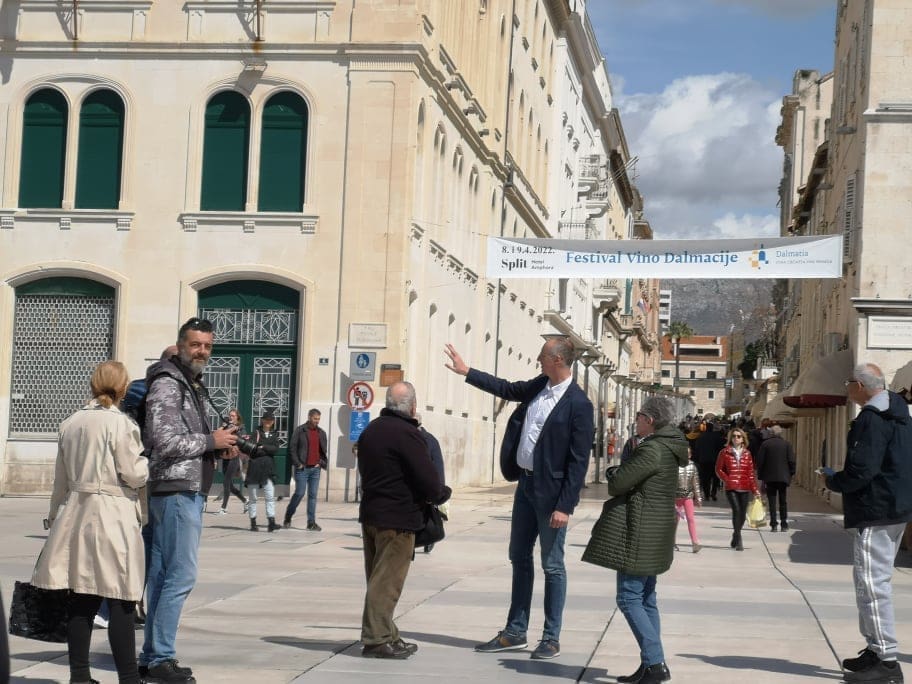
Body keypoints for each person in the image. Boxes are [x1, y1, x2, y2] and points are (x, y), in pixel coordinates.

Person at [444, 337, 593, 660]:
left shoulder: (579, 404)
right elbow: (508, 389)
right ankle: (515, 631)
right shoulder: (540, 385)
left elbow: (579, 460)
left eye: (542, 356)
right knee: (519, 557)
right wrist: (467, 371)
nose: (538, 360)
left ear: (557, 360)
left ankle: (551, 638)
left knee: (552, 565)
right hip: (525, 485)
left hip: (551, 495)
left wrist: (565, 506)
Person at [31, 361, 148, 684]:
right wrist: (145, 465)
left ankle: (80, 676)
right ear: (123, 387)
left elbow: (60, 480)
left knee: (82, 598)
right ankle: (128, 678)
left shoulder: (70, 423)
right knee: (121, 597)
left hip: (76, 512)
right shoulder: (121, 424)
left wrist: (54, 517)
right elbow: (134, 474)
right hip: (113, 513)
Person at [140, 317, 238, 683]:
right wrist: (210, 441)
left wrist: (217, 448)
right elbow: (163, 441)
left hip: (180, 488)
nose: (202, 351)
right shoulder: (168, 384)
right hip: (176, 490)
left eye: (207, 346)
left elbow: (184, 440)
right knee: (180, 575)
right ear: (181, 345)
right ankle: (160, 657)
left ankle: (153, 655)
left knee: (161, 575)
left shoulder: (189, 383)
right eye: (196, 344)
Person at [582, 397, 688, 684]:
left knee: (629, 597)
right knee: (646, 598)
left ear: (649, 420)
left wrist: (613, 471)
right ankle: (650, 663)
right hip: (656, 529)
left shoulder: (652, 449)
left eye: (639, 416)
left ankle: (655, 664)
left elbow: (618, 484)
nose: (636, 420)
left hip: (641, 529)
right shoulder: (670, 446)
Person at [820, 363, 912, 684]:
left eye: (849, 382)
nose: (847, 388)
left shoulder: (872, 419)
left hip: (876, 509)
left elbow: (862, 469)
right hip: (894, 507)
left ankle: (886, 661)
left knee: (872, 585)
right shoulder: (899, 413)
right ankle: (875, 649)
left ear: (859, 385)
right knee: (873, 581)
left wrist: (834, 481)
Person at [357, 382, 451, 659]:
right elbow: (428, 479)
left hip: (372, 515)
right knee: (387, 583)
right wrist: (442, 493)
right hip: (398, 519)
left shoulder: (371, 430)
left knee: (377, 579)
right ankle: (376, 640)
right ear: (412, 406)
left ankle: (389, 634)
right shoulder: (408, 435)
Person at [715, 427, 759, 551]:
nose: (736, 438)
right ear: (730, 438)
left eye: (739, 436)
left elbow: (750, 473)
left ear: (743, 439)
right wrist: (727, 479)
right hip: (732, 487)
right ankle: (739, 540)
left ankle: (735, 535)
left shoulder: (747, 453)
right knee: (736, 510)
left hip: (744, 487)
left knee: (743, 515)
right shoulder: (724, 452)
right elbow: (718, 469)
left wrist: (755, 490)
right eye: (734, 436)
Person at [283, 408, 327, 531]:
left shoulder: (321, 433)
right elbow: (292, 448)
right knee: (300, 493)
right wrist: (298, 464)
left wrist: (321, 463)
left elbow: (323, 451)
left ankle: (311, 523)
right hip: (302, 468)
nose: (317, 421)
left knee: (313, 495)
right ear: (309, 417)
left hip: (315, 469)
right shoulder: (300, 430)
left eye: (318, 419)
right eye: (315, 418)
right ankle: (288, 516)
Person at [754, 424, 796, 532]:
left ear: (771, 433)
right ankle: (784, 523)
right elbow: (791, 461)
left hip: (770, 477)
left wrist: (761, 476)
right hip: (783, 477)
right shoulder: (787, 444)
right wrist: (791, 474)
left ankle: (773, 524)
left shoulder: (765, 444)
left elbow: (760, 461)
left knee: (772, 501)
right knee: (783, 501)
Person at [245, 410, 281, 532]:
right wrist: (265, 450)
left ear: (273, 422)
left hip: (268, 469)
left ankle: (271, 522)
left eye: (270, 420)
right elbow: (252, 449)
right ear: (262, 420)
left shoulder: (274, 434)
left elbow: (275, 449)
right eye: (266, 420)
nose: (268, 422)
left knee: (270, 496)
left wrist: (263, 447)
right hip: (255, 468)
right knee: (253, 497)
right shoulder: (256, 433)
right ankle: (253, 523)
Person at [417, 415, 446, 553]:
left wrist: (440, 488)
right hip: (416, 486)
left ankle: (429, 540)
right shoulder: (409, 438)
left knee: (427, 515)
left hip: (426, 485)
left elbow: (438, 464)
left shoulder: (430, 440)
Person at [218, 408, 248, 515]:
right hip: (225, 457)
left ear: (237, 417)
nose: (231, 417)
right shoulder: (226, 426)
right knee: (229, 486)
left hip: (234, 457)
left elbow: (242, 441)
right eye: (230, 415)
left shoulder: (241, 428)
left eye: (233, 416)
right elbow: (218, 436)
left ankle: (223, 508)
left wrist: (235, 429)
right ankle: (245, 501)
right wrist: (223, 427)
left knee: (226, 482)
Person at [675, 454, 703, 553]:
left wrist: (698, 498)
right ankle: (671, 542)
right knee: (674, 521)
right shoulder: (674, 466)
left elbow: (696, 484)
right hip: (676, 497)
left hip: (688, 497)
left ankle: (695, 543)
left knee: (691, 519)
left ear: (690, 455)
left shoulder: (693, 467)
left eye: (688, 453)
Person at [692, 417, 725, 501]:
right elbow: (721, 448)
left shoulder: (700, 437)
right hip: (715, 460)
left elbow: (697, 449)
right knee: (715, 477)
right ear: (712, 428)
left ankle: (707, 494)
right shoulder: (717, 437)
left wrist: (697, 459)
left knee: (705, 478)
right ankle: (713, 493)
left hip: (703, 461)